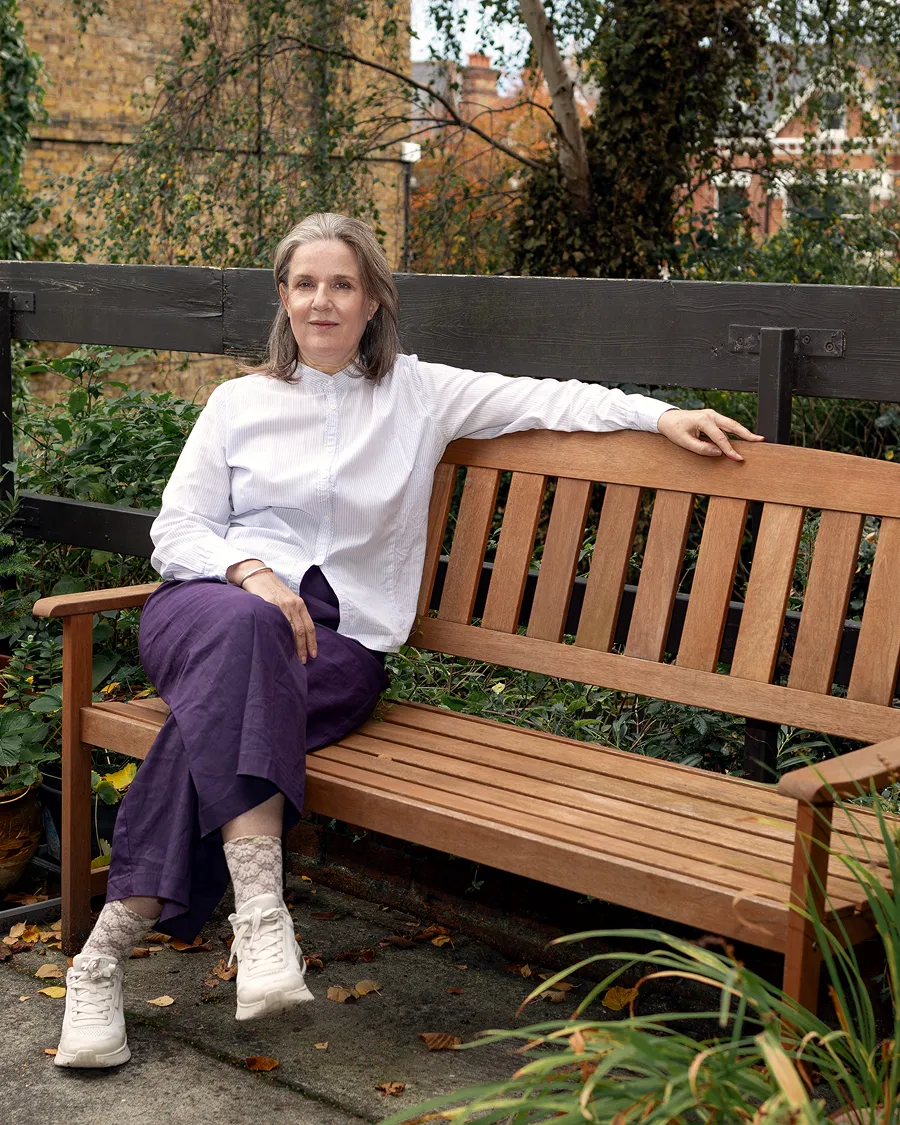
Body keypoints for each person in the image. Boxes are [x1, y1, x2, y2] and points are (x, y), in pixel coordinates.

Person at [53, 212, 762, 1068]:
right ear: (284, 298)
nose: (323, 300)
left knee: (216, 713)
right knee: (249, 634)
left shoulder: (421, 395)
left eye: (342, 284)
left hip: (340, 650)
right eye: (306, 283)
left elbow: (552, 396)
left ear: (374, 299)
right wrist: (251, 573)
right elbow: (179, 528)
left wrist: (659, 415)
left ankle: (100, 958)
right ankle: (263, 913)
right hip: (207, 608)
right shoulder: (237, 402)